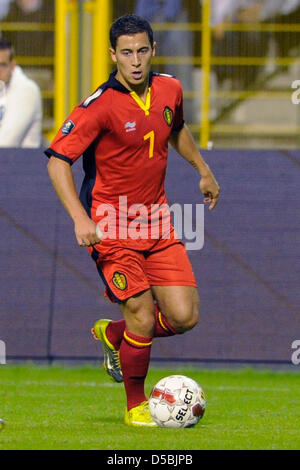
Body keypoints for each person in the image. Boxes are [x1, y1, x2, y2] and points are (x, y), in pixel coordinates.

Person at [45, 14, 220, 427]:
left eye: (142, 50)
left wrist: (203, 169)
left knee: (183, 317)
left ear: (153, 50)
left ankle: (115, 334)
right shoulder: (99, 106)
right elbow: (57, 162)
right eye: (126, 52)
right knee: (141, 310)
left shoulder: (170, 88)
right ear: (113, 55)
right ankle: (136, 405)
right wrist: (79, 218)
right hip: (110, 226)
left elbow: (174, 128)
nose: (136, 60)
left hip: (157, 224)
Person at [0, 40, 42, 147]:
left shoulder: (27, 90)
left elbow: (6, 143)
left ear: (12, 66)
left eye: (2, 65)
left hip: (19, 162)